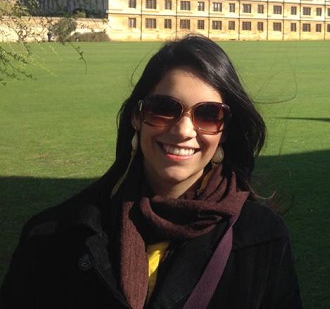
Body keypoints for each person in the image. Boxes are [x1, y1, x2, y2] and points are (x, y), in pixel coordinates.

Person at [0, 35, 302, 308]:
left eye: (208, 114)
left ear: (224, 131)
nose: (184, 130)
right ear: (137, 116)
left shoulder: (262, 239)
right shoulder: (54, 236)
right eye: (164, 108)